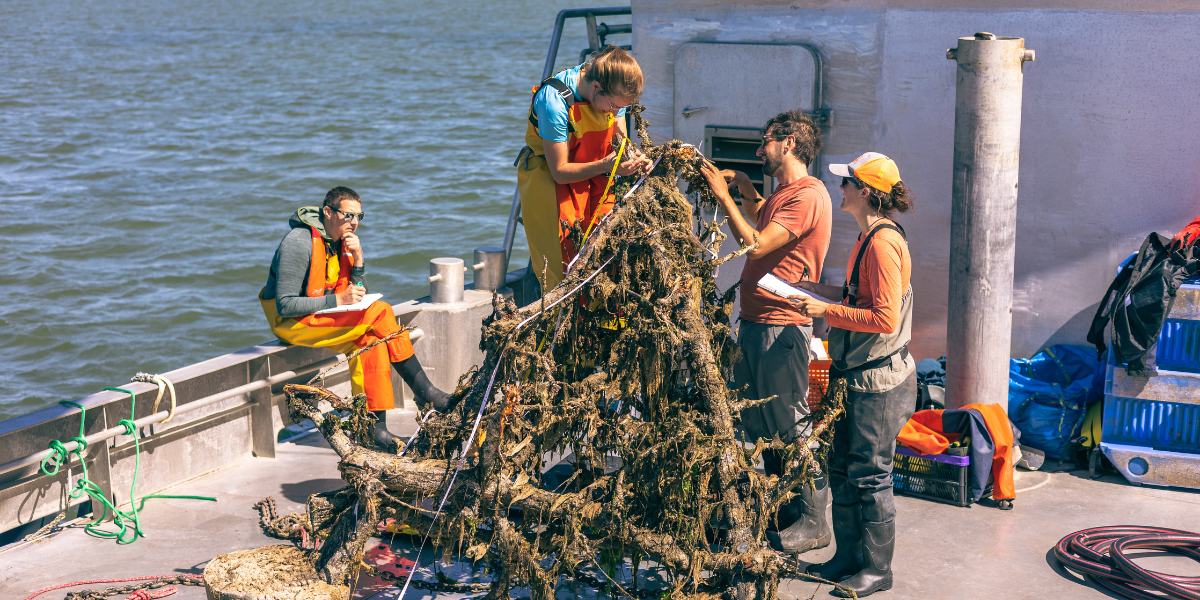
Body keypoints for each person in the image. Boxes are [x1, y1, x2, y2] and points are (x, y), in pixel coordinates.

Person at [699, 110, 833, 555]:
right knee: (760, 420)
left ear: (789, 143)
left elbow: (756, 243)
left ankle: (815, 522)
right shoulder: (784, 194)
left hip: (782, 326)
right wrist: (746, 189)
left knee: (791, 421)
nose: (759, 150)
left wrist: (722, 194)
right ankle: (786, 510)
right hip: (758, 323)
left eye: (766, 142)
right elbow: (765, 223)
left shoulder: (808, 195)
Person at [791, 153, 916, 598]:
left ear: (866, 191)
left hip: (878, 383)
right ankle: (847, 559)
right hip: (857, 376)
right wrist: (813, 289)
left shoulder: (882, 243)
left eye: (846, 183)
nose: (839, 188)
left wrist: (826, 310)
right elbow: (858, 298)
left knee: (870, 476)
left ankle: (877, 570)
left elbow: (882, 318)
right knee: (843, 469)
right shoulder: (869, 237)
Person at [260, 186, 450, 450]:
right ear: (328, 212)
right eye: (349, 215)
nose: (355, 222)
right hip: (292, 323)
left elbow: (361, 298)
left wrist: (359, 261)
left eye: (360, 216)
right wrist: (338, 300)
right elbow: (285, 305)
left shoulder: (345, 244)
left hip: (324, 316)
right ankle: (426, 393)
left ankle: (373, 428)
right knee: (382, 311)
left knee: (371, 339)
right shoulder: (299, 241)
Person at [515, 45, 652, 293]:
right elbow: (559, 170)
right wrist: (608, 165)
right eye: (612, 106)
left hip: (596, 177)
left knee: (606, 258)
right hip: (551, 183)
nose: (614, 112)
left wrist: (635, 158)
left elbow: (619, 140)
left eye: (621, 108)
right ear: (596, 87)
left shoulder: (611, 92)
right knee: (564, 273)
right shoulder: (554, 102)